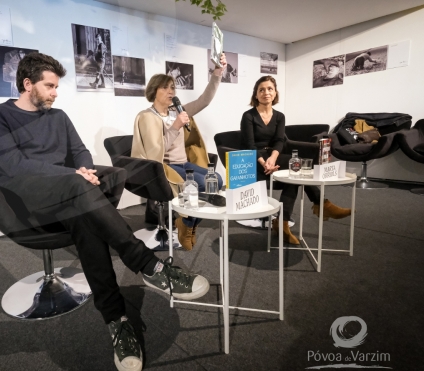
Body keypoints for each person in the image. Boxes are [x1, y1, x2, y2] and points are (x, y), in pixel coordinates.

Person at [0, 52, 209, 371]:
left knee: (85, 222)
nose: (54, 93)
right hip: (29, 203)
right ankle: (148, 265)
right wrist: (70, 176)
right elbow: (11, 166)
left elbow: (79, 152)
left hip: (70, 200)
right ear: (27, 83)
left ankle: (117, 321)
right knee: (79, 195)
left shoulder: (58, 117)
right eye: (49, 86)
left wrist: (84, 169)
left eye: (56, 87)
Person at [240, 76, 351, 244]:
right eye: (261, 89)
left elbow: (279, 141)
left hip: (273, 156)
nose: (266, 92)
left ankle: (283, 222)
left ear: (275, 92)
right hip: (254, 159)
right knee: (296, 171)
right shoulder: (248, 116)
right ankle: (320, 205)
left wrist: (272, 158)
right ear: (256, 94)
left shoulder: (279, 116)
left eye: (270, 89)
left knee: (297, 170)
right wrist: (264, 162)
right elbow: (249, 145)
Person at [131, 54, 226, 251]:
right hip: (164, 167)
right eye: (164, 87)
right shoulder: (146, 117)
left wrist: (217, 72)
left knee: (216, 179)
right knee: (200, 184)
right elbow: (154, 152)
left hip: (185, 163)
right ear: (153, 91)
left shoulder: (177, 110)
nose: (170, 91)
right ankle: (187, 224)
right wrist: (175, 127)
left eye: (172, 87)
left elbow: (204, 100)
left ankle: (187, 223)